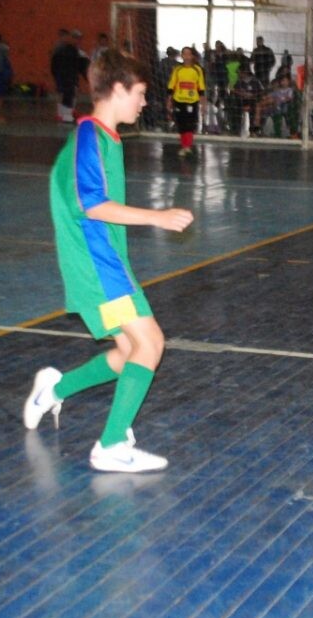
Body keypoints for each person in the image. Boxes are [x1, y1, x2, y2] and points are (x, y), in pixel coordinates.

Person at [23, 48, 194, 473]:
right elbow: (93, 205)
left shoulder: (105, 138)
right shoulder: (89, 137)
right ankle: (111, 445)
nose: (144, 101)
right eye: (139, 92)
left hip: (104, 265)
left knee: (128, 354)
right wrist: (157, 217)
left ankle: (55, 388)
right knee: (151, 345)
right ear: (117, 89)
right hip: (99, 269)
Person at [167, 45, 206, 156]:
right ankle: (184, 145)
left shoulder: (197, 70)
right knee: (181, 124)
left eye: (189, 54)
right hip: (179, 100)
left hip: (192, 101)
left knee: (190, 124)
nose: (187, 56)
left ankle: (187, 146)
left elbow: (201, 88)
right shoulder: (177, 69)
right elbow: (171, 85)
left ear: (192, 56)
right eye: (184, 54)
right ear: (181, 56)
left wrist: (203, 104)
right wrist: (169, 101)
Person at [51, 30, 81, 122]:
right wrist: (56, 75)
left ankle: (67, 112)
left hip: (68, 75)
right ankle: (61, 114)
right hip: (63, 75)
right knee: (63, 94)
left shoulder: (71, 48)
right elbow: (54, 64)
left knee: (69, 93)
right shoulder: (59, 49)